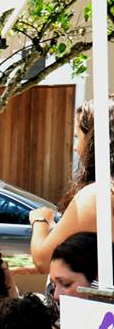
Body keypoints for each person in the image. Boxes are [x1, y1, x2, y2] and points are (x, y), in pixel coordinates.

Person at [29, 94, 114, 272]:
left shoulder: (98, 196)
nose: (75, 147)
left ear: (94, 140)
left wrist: (40, 220)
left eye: (78, 136)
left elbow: (45, 260)